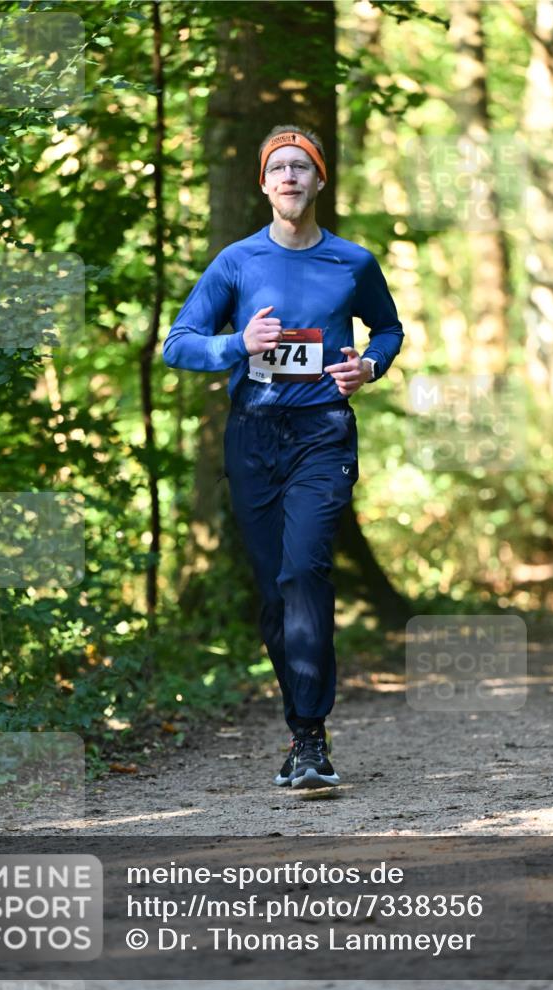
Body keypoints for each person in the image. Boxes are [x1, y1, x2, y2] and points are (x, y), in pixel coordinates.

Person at [163, 125, 404, 789]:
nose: (291, 178)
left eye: (303, 167)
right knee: (275, 591)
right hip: (253, 436)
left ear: (320, 180)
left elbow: (386, 328)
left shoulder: (351, 262)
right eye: (280, 169)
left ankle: (309, 739)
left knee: (304, 571)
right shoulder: (236, 263)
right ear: (264, 184)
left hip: (322, 432)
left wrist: (370, 366)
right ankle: (302, 731)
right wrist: (238, 343)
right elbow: (177, 343)